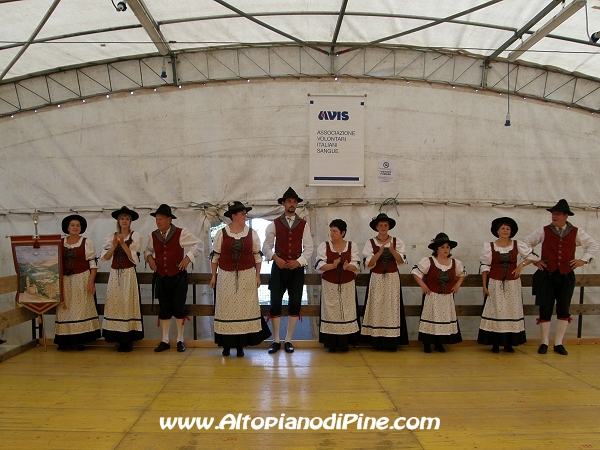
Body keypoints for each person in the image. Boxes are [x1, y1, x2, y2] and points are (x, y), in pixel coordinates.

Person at [522, 199, 598, 356]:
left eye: (557, 214)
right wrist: (536, 260)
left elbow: (593, 245)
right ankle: (544, 342)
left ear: (566, 216)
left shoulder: (577, 232)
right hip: (547, 274)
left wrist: (582, 260)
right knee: (545, 308)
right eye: (553, 214)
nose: (554, 216)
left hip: (566, 275)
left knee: (564, 308)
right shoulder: (543, 231)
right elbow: (524, 244)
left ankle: (559, 343)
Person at [210, 201, 271, 357]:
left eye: (245, 213)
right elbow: (215, 256)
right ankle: (226, 345)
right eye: (242, 213)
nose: (245, 216)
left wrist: (257, 276)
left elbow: (257, 256)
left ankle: (240, 346)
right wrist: (213, 276)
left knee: (244, 310)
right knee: (227, 309)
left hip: (246, 275)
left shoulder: (252, 233)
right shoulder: (221, 233)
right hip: (225, 275)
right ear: (234, 216)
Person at [145, 204, 203, 353]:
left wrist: (188, 258)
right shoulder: (153, 235)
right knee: (164, 308)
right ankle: (164, 340)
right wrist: (150, 259)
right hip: (162, 277)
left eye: (161, 219)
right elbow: (147, 250)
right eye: (157, 219)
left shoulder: (181, 233)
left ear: (169, 219)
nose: (158, 222)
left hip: (178, 276)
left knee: (179, 307)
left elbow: (199, 244)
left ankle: (180, 339)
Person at [262, 187, 313, 354]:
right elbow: (266, 246)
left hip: (296, 270)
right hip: (278, 268)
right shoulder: (274, 224)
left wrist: (298, 262)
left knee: (295, 303)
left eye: (294, 202)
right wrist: (276, 259)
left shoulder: (303, 224)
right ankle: (276, 340)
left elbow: (309, 248)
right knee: (275, 303)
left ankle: (288, 340)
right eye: (289, 201)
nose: (292, 204)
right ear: (283, 203)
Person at [478, 217, 538, 353]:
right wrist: (484, 286)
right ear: (497, 231)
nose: (505, 231)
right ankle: (495, 343)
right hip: (495, 282)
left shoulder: (517, 245)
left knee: (511, 310)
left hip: (512, 283)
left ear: (511, 232)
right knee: (496, 311)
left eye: (508, 229)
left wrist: (520, 266)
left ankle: (509, 343)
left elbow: (533, 257)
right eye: (503, 228)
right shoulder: (490, 246)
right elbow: (485, 266)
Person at [361, 213, 409, 351]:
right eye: (380, 225)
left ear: (389, 227)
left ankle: (391, 342)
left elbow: (401, 261)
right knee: (376, 307)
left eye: (385, 225)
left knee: (391, 307)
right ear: (376, 227)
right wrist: (379, 253)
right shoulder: (370, 242)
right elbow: (368, 264)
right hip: (376, 277)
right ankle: (376, 341)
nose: (383, 227)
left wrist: (393, 251)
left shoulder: (397, 241)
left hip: (392, 278)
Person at [412, 233, 466, 353]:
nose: (445, 249)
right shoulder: (429, 261)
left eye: (447, 247)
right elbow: (415, 273)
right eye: (442, 247)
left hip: (447, 297)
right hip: (432, 296)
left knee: (444, 319)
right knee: (430, 317)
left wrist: (457, 285)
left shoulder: (455, 263)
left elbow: (462, 274)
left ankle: (440, 343)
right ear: (436, 249)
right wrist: (423, 285)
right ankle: (427, 343)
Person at [54, 214, 101, 351]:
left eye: (77, 225)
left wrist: (91, 280)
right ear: (67, 227)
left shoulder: (86, 242)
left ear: (81, 228)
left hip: (82, 279)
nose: (75, 227)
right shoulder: (60, 242)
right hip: (65, 280)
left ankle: (80, 340)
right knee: (65, 309)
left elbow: (92, 263)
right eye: (72, 225)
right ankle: (64, 340)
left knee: (81, 310)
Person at [101, 206, 144, 352]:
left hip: (128, 273)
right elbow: (105, 258)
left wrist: (123, 244)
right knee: (115, 303)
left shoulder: (135, 236)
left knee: (127, 304)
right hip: (114, 273)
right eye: (122, 218)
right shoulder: (110, 236)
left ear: (130, 221)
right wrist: (114, 246)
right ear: (118, 221)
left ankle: (128, 339)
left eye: (127, 218)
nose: (124, 221)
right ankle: (116, 337)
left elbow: (134, 259)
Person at [315, 219, 360, 352]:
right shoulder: (324, 246)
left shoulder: (352, 246)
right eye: (330, 230)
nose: (331, 233)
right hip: (330, 284)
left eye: (334, 231)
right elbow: (318, 266)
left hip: (347, 284)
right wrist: (333, 265)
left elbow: (356, 265)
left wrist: (347, 267)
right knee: (331, 311)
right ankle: (332, 344)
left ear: (343, 232)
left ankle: (345, 343)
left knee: (346, 311)